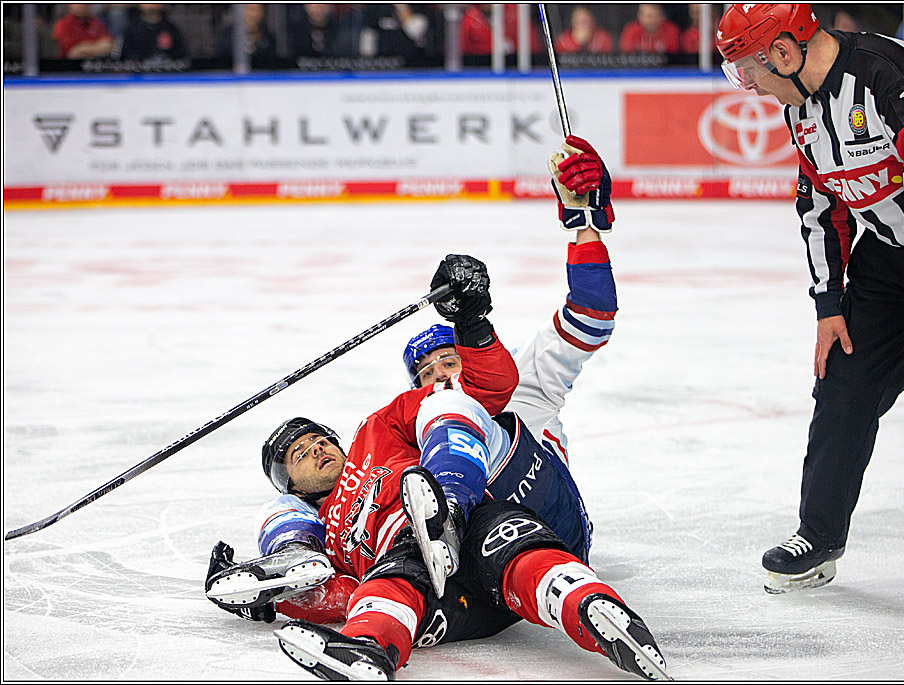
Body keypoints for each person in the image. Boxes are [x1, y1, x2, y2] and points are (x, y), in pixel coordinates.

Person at [204, 139, 668, 680]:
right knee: (424, 565)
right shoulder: (387, 453)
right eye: (426, 372)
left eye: (450, 358)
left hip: (538, 500)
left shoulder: (513, 381)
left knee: (456, 439)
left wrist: (583, 224)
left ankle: (449, 517)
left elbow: (591, 313)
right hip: (464, 563)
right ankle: (573, 608)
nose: (441, 373)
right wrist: (273, 597)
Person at [716, 4, 904, 633]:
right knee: (844, 376)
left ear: (783, 53)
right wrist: (829, 305)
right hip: (892, 244)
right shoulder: (801, 106)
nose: (750, 88)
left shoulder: (891, 75)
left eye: (748, 72)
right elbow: (819, 204)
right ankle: (819, 534)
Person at [215, 3, 278, 69]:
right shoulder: (227, 36)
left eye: (256, 10)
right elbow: (219, 62)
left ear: (262, 13)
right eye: (250, 10)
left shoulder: (268, 39)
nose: (253, 15)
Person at [120, 4, 187, 61]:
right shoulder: (131, 29)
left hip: (165, 69)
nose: (151, 5)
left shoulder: (170, 28)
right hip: (138, 70)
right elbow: (124, 57)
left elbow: (181, 55)